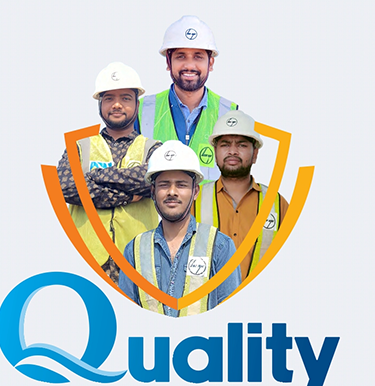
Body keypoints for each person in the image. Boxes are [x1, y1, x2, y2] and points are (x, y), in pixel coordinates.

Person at [57, 62, 160, 281]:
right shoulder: (79, 146)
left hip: (137, 263)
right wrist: (127, 196)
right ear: (100, 104)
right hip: (86, 259)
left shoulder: (154, 149)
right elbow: (66, 187)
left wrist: (94, 177)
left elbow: (150, 180)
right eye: (109, 98)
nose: (117, 105)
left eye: (125, 98)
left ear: (137, 104)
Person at [119, 141, 241, 316]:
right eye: (164, 184)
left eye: (181, 184)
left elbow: (230, 316)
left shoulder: (220, 246)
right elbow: (127, 317)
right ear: (152, 191)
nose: (172, 192)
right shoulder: (134, 251)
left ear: (195, 191)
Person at [138, 16, 238, 182]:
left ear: (211, 63)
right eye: (181, 56)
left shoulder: (230, 114)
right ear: (168, 62)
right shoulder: (141, 111)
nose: (190, 65)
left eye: (198, 56)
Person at [193, 111, 289, 281]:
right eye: (225, 145)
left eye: (242, 145)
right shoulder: (193, 200)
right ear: (215, 152)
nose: (233, 151)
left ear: (255, 154)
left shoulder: (277, 203)